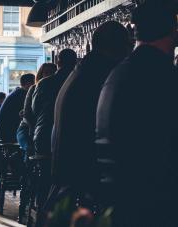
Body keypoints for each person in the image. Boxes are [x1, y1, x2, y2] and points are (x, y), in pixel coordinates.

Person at [96, 2, 178, 226]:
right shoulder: (162, 75)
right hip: (152, 205)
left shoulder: (119, 72)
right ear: (172, 30)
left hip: (119, 200)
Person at [48, 21, 131, 213]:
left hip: (68, 175)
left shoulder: (84, 70)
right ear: (120, 47)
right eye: (129, 44)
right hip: (84, 182)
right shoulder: (103, 74)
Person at [32, 49, 77, 155]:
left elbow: (35, 109)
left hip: (44, 134)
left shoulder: (44, 83)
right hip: (74, 136)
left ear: (58, 62)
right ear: (76, 62)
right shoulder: (81, 82)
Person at [17, 63, 57, 160]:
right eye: (46, 72)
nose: (49, 75)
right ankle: (27, 172)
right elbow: (27, 115)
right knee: (30, 149)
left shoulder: (56, 89)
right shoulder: (34, 88)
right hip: (26, 128)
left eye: (52, 72)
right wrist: (33, 130)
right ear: (41, 74)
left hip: (44, 128)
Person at [0, 73, 35, 143]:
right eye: (34, 83)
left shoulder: (17, 92)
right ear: (28, 84)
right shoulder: (23, 95)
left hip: (2, 132)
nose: (36, 86)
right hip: (8, 134)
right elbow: (28, 114)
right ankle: (30, 152)